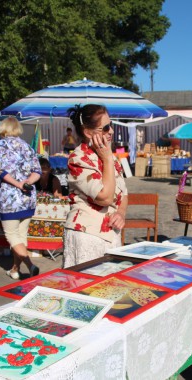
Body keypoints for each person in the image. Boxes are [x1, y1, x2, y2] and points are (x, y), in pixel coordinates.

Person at [63, 104, 128, 267]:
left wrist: (120, 213)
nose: (111, 131)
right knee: (86, 288)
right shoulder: (78, 159)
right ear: (87, 132)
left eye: (111, 125)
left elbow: (124, 193)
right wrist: (107, 158)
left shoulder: (109, 156)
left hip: (111, 235)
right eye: (105, 128)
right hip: (87, 235)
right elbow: (105, 197)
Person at [0, 117, 41, 280]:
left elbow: (0, 171)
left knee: (12, 236)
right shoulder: (27, 146)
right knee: (21, 236)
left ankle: (30, 265)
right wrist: (27, 182)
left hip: (10, 198)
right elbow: (37, 171)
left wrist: (18, 184)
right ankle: (14, 270)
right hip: (28, 197)